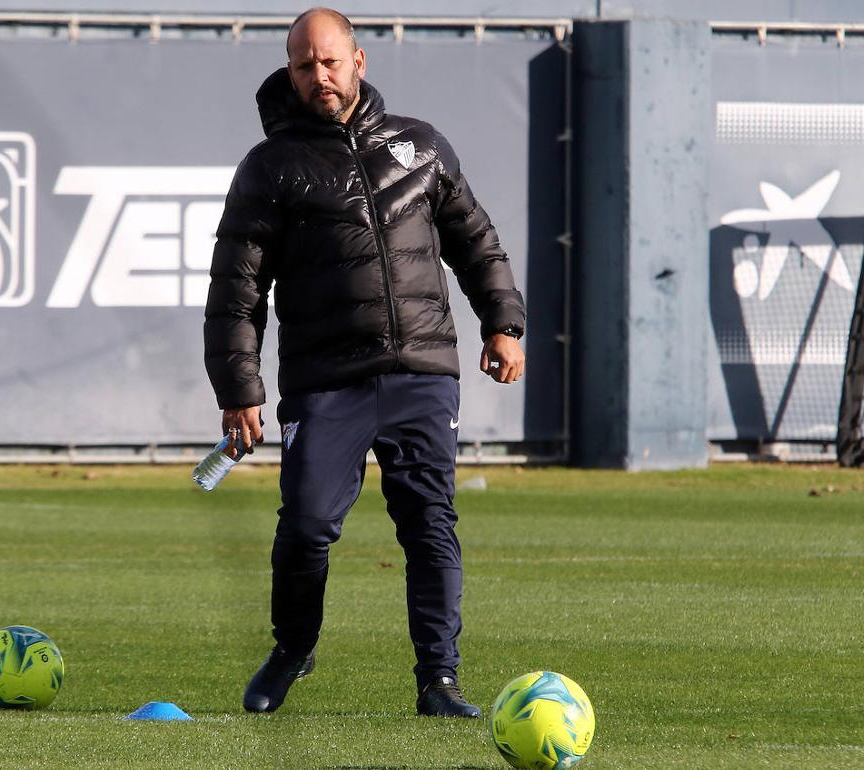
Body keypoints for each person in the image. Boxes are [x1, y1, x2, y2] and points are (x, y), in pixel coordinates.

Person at [203, 6, 526, 718]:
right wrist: (239, 389)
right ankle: (294, 647)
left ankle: (438, 681)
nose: (318, 76)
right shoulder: (270, 167)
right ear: (289, 73)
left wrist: (503, 323)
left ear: (359, 60)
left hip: (422, 370)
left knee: (429, 522)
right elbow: (237, 290)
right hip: (327, 382)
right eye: (303, 66)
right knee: (309, 524)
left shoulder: (420, 145)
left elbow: (475, 240)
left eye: (329, 61)